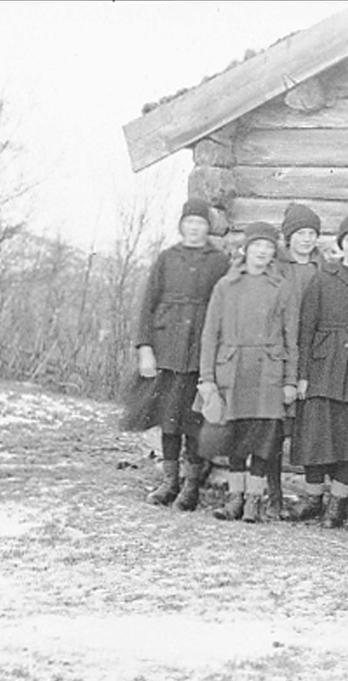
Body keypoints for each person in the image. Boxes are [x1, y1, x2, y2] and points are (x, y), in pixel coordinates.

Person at [132, 198, 230, 511]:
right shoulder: (166, 258)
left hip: (201, 349)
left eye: (200, 223)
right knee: (169, 418)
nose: (194, 228)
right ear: (181, 225)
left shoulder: (219, 261)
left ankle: (191, 486)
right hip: (168, 348)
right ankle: (169, 481)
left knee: (195, 420)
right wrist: (145, 348)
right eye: (189, 222)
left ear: (207, 228)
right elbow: (148, 304)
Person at [198, 222, 299, 522]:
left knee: (263, 438)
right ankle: (235, 498)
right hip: (233, 369)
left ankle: (254, 500)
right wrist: (207, 379)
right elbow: (209, 335)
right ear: (246, 249)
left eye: (268, 248)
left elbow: (290, 337)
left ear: (273, 254)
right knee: (236, 436)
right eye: (257, 246)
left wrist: (290, 380)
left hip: (268, 371)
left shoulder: (282, 287)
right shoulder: (226, 286)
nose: (262, 252)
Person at [287, 213, 348, 527]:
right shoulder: (324, 276)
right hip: (323, 364)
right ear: (341, 244)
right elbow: (306, 326)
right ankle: (313, 500)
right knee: (316, 434)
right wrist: (303, 374)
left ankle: (338, 503)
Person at [264, 202, 331, 521]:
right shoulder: (278, 266)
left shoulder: (324, 267)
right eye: (300, 233)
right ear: (289, 237)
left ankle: (315, 496)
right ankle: (273, 494)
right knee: (275, 429)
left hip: (313, 357)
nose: (306, 239)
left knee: (309, 428)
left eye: (311, 234)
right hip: (281, 352)